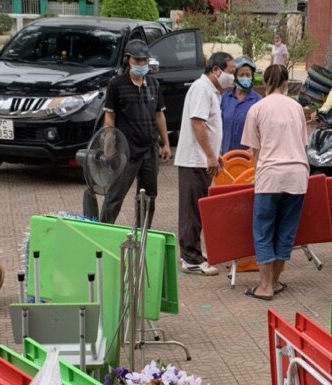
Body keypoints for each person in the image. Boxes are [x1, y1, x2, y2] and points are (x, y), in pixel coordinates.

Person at [240, 64, 309, 299]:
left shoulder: (257, 108)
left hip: (270, 176)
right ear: (286, 82)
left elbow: (255, 152)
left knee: (263, 230)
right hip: (298, 176)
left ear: (266, 82)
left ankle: (265, 286)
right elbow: (302, 143)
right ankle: (276, 281)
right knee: (286, 230)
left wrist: (257, 175)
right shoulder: (297, 108)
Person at [175, 51, 236, 274]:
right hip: (194, 160)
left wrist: (214, 153)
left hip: (203, 159)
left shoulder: (212, 91)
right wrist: (210, 155)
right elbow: (198, 124)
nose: (232, 76)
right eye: (230, 71)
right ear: (216, 70)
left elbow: (208, 128)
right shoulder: (202, 89)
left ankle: (194, 252)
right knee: (191, 210)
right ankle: (190, 258)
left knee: (198, 208)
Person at [99, 40, 171, 227]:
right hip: (126, 150)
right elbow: (109, 117)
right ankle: (103, 231)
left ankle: (142, 235)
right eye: (137, 60)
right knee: (115, 195)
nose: (141, 64)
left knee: (148, 196)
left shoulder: (154, 84)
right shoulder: (116, 84)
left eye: (144, 60)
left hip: (150, 149)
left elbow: (159, 115)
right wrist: (110, 147)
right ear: (128, 60)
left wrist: (166, 143)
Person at [220, 55, 261, 154]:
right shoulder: (225, 98)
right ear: (235, 77)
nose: (245, 78)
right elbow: (217, 125)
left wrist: (255, 148)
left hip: (247, 159)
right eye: (241, 75)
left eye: (248, 75)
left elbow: (263, 130)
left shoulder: (258, 101)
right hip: (225, 157)